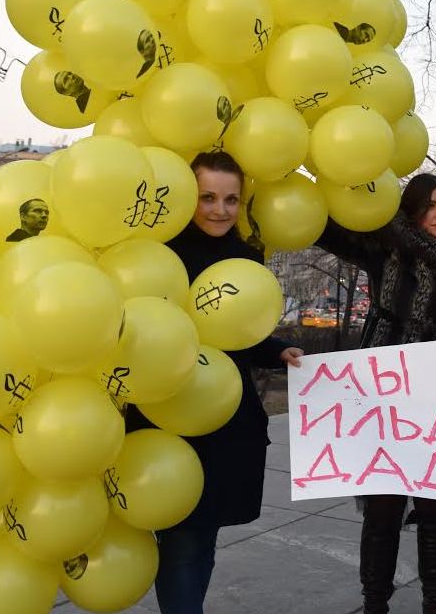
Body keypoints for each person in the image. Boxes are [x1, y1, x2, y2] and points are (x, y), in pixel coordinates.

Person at [316, 172, 436, 614]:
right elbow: (327, 231)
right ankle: (375, 603)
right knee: (382, 511)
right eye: (429, 206)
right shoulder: (386, 246)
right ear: (411, 211)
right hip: (385, 397)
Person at [134, 150, 304, 614]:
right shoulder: (159, 253)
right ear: (187, 197)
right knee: (181, 538)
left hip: (225, 414)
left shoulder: (247, 256)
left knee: (200, 539)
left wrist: (277, 350)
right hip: (168, 414)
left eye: (231, 199)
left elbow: (241, 331)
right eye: (207, 197)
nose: (220, 210)